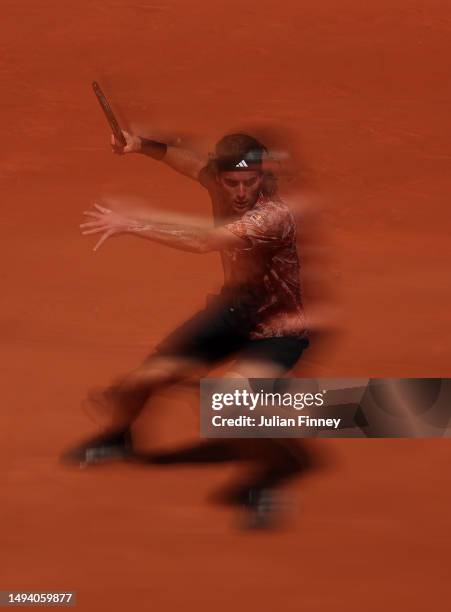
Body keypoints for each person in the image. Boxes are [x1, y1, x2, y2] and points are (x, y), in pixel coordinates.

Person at [63, 131, 316, 528]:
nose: (240, 191)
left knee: (233, 407)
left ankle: (264, 482)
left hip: (278, 327)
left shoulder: (273, 215)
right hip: (233, 311)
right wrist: (141, 145)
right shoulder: (216, 177)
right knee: (141, 382)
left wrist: (133, 224)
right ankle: (120, 437)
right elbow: (189, 161)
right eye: (231, 182)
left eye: (249, 182)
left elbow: (205, 241)